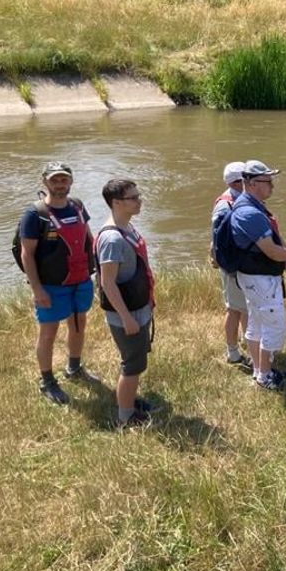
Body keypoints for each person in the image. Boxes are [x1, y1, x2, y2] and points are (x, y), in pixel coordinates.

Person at [18, 162, 98, 405]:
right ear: (45, 182)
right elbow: (26, 254)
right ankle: (47, 381)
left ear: (71, 182)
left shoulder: (78, 205)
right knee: (48, 334)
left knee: (78, 325)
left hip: (80, 280)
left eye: (64, 179)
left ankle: (74, 367)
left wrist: (98, 268)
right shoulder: (35, 214)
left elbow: (88, 235)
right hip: (51, 286)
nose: (60, 184)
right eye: (54, 180)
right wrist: (37, 289)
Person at [232, 160, 286, 391]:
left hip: (253, 278)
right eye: (267, 181)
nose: (272, 186)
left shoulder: (249, 205)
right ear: (250, 184)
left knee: (257, 322)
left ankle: (260, 370)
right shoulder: (250, 212)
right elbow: (270, 249)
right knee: (274, 325)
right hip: (260, 279)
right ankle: (265, 376)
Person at [95, 178, 156, 429]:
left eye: (138, 196)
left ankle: (130, 400)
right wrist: (127, 318)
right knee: (132, 364)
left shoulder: (128, 229)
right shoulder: (112, 240)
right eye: (134, 197)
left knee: (138, 358)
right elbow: (108, 283)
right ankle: (125, 416)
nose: (139, 200)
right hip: (126, 314)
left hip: (139, 307)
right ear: (117, 203)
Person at [210, 161, 251, 368]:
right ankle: (233, 353)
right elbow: (218, 239)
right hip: (233, 267)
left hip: (242, 265)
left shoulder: (240, 199)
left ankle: (249, 345)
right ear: (237, 182)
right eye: (247, 178)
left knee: (244, 308)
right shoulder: (225, 206)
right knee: (234, 309)